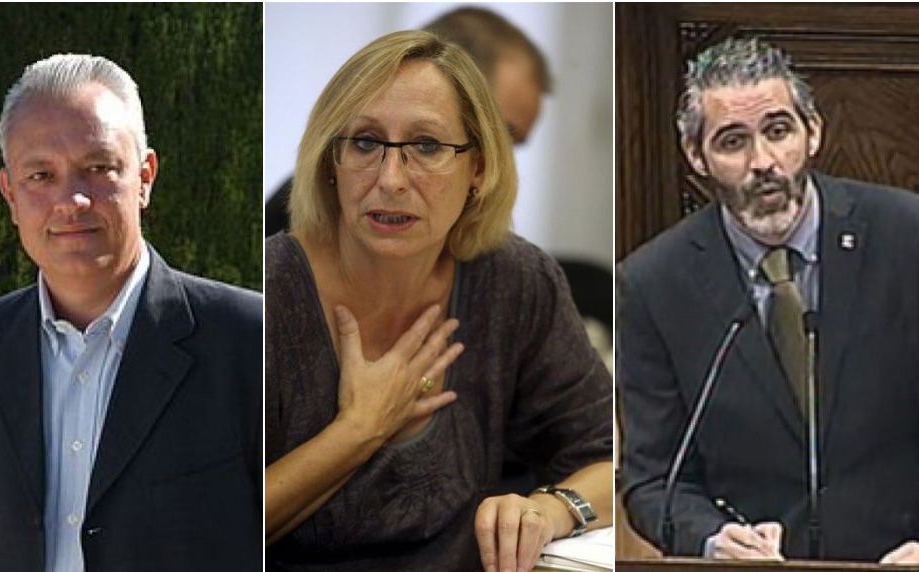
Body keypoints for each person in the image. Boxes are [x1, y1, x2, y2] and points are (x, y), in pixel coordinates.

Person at [265, 30, 613, 572]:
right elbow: (202, 522)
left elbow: (615, 459)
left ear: (479, 169)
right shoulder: (268, 291)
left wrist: (549, 510)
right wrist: (361, 428)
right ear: (331, 161)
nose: (391, 179)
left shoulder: (514, 279)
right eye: (365, 143)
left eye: (427, 146)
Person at [618, 37, 919, 563]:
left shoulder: (906, 236)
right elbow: (654, 480)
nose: (763, 162)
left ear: (813, 131)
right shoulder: (652, 285)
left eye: (778, 132)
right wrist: (712, 539)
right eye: (733, 142)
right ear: (696, 156)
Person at [0, 54, 261, 572]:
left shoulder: (250, 343)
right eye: (41, 175)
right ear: (9, 194)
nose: (72, 199)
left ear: (145, 177)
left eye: (98, 168)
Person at [265, 6, 551, 236]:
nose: (498, 161)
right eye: (366, 142)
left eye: (512, 144)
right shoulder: (287, 242)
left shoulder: (508, 268)